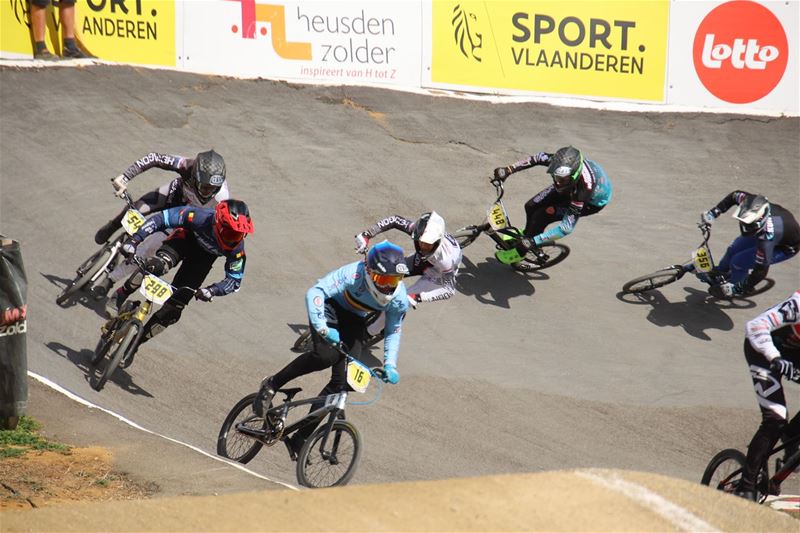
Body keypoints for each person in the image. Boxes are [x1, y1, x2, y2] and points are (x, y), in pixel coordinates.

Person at [253, 240, 409, 459]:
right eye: (382, 279)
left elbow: (393, 330)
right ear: (368, 271)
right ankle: (272, 384)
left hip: (355, 319)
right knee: (325, 356)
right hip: (329, 308)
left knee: (346, 382)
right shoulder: (352, 274)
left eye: (394, 280)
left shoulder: (399, 298)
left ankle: (301, 437)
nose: (387, 286)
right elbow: (315, 292)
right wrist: (322, 329)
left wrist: (391, 365)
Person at [113, 199, 253, 362]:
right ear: (217, 222)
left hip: (201, 261)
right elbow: (161, 219)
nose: (234, 239)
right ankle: (121, 294)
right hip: (182, 242)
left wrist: (212, 290)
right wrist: (135, 239)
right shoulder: (198, 216)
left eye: (238, 234)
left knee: (173, 310)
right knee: (155, 267)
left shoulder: (237, 248)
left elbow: (234, 280)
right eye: (230, 233)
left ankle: (135, 344)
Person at [91, 150, 230, 299]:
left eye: (214, 189)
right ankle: (113, 225)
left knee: (148, 249)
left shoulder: (222, 199)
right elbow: (155, 158)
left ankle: (110, 279)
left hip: (182, 219)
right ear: (195, 176)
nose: (208, 192)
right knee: (135, 209)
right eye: (204, 187)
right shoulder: (186, 165)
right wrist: (124, 178)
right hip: (172, 197)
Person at [493, 146, 613, 260]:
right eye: (555, 177)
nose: (557, 182)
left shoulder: (583, 191)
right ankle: (527, 235)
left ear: (573, 176)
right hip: (571, 186)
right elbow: (536, 158)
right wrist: (508, 169)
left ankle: (523, 251)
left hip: (589, 202)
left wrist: (534, 241)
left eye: (561, 180)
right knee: (531, 205)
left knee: (543, 215)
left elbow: (566, 228)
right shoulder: (560, 162)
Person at [736, 289, 800, 501]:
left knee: (785, 427)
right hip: (763, 352)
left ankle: (791, 435)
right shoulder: (797, 305)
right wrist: (775, 358)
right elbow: (755, 326)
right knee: (775, 417)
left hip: (794, 356)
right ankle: (746, 487)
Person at [353, 211, 461, 335]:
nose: (422, 247)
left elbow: (449, 290)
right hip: (423, 262)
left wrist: (419, 297)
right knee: (381, 270)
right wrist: (367, 234)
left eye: (427, 245)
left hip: (437, 274)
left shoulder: (446, 261)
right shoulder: (420, 232)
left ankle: (369, 333)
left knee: (403, 299)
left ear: (437, 242)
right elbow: (394, 220)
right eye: (420, 242)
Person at [700, 192, 799, 297]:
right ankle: (722, 272)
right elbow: (734, 196)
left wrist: (736, 288)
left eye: (749, 225)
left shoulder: (767, 238)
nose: (744, 226)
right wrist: (713, 213)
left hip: (784, 248)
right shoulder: (749, 201)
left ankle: (735, 286)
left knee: (738, 262)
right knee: (733, 249)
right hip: (769, 229)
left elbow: (760, 271)